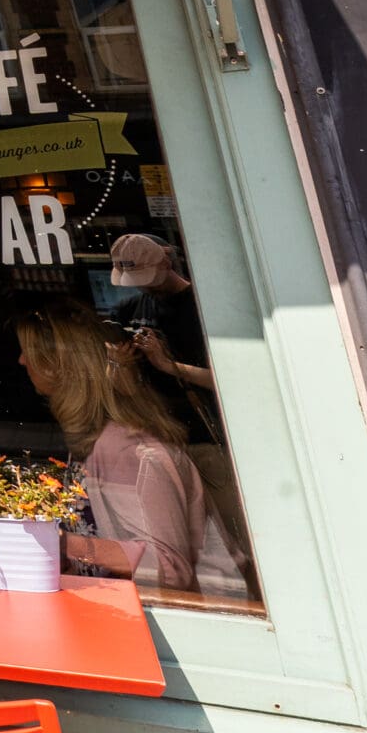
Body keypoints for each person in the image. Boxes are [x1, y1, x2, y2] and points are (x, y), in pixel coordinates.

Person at [16, 301, 205, 594]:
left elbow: (170, 572)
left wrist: (63, 544)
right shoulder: (93, 440)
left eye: (28, 351)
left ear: (56, 364)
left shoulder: (130, 450)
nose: (21, 361)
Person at [108, 233, 256, 586]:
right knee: (172, 544)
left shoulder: (203, 308)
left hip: (206, 438)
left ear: (166, 262)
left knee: (238, 538)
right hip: (157, 442)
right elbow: (123, 391)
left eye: (148, 277)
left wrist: (170, 366)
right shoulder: (129, 310)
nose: (145, 289)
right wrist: (121, 364)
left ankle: (256, 599)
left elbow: (238, 382)